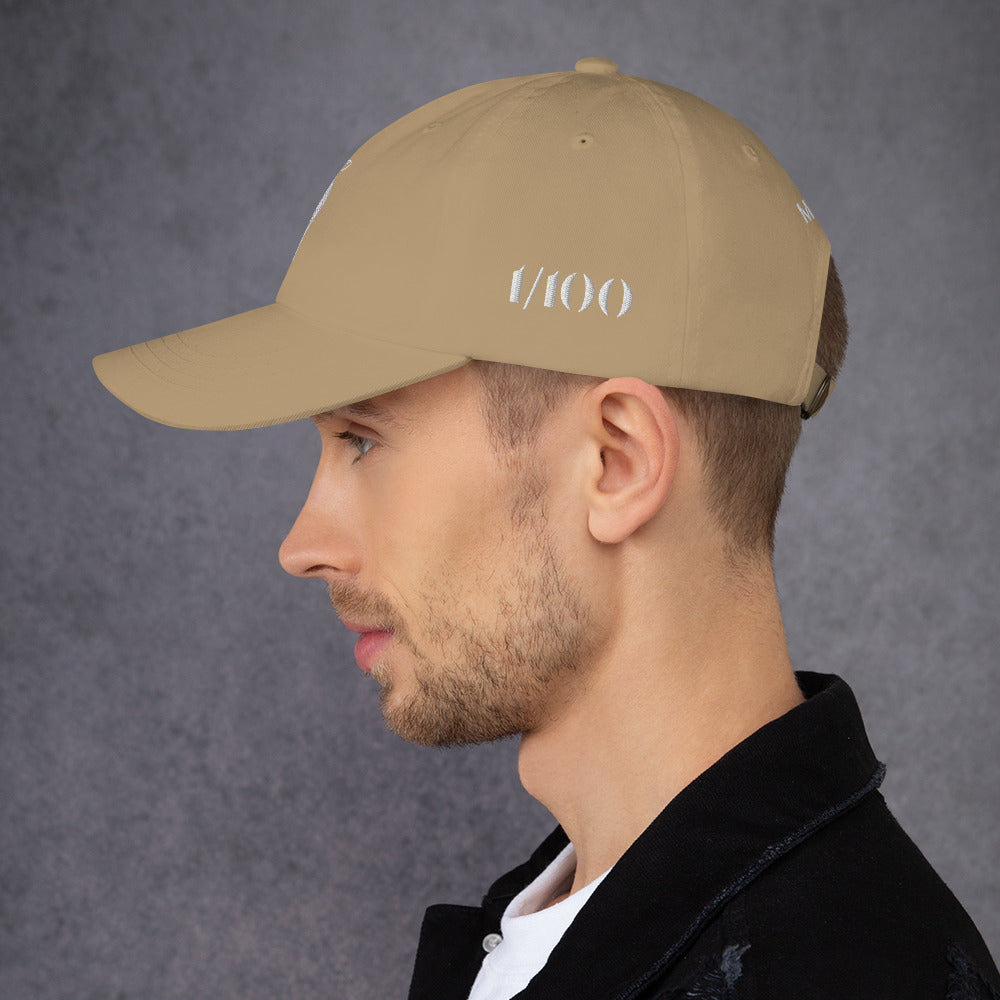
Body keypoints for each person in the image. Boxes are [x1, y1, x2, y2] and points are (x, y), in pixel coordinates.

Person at [93, 58, 998, 999]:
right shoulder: (578, 924)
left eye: (361, 440)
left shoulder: (838, 976)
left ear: (616, 460)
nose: (303, 546)